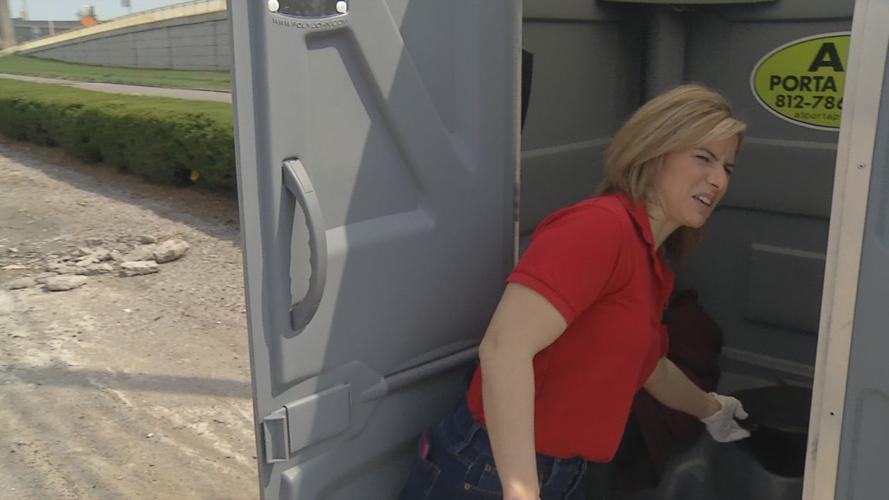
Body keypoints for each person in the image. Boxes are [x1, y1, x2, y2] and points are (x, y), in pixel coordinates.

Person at [398, 84, 751, 500]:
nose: (717, 180)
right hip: (490, 472)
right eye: (704, 158)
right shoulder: (600, 229)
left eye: (728, 167)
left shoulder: (649, 261)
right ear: (654, 152)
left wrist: (712, 410)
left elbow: (654, 369)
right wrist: (521, 488)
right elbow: (504, 348)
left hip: (562, 474)